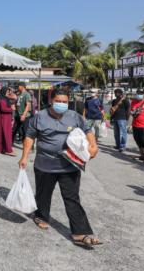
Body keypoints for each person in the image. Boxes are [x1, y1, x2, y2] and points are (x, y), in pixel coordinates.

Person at [19, 88, 101, 248]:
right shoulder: (40, 117)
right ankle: (41, 216)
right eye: (58, 101)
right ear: (51, 100)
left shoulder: (75, 116)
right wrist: (24, 156)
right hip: (45, 165)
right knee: (43, 194)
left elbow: (87, 130)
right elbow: (29, 136)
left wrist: (93, 144)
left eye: (65, 102)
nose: (61, 104)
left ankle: (80, 233)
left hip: (70, 165)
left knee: (72, 198)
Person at [0, 87, 17, 155]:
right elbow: (3, 109)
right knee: (2, 134)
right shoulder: (2, 100)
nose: (8, 93)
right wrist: (12, 109)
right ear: (4, 92)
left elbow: (14, 99)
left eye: (8, 92)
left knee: (3, 134)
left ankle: (2, 148)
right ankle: (4, 149)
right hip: (2, 119)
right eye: (7, 92)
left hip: (5, 119)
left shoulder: (5, 99)